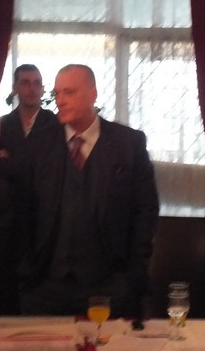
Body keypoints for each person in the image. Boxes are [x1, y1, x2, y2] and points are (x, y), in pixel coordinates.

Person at [17, 64, 159, 318]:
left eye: (69, 92)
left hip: (110, 286)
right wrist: (26, 270)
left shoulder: (128, 143)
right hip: (46, 286)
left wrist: (132, 275)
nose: (60, 100)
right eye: (57, 93)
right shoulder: (39, 143)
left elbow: (146, 211)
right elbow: (24, 209)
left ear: (93, 94)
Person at [0, 64, 58, 315]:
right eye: (25, 82)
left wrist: (11, 162)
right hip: (7, 222)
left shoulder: (57, 126)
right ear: (15, 88)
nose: (31, 89)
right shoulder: (0, 127)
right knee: (6, 290)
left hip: (45, 219)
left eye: (37, 83)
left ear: (43, 88)